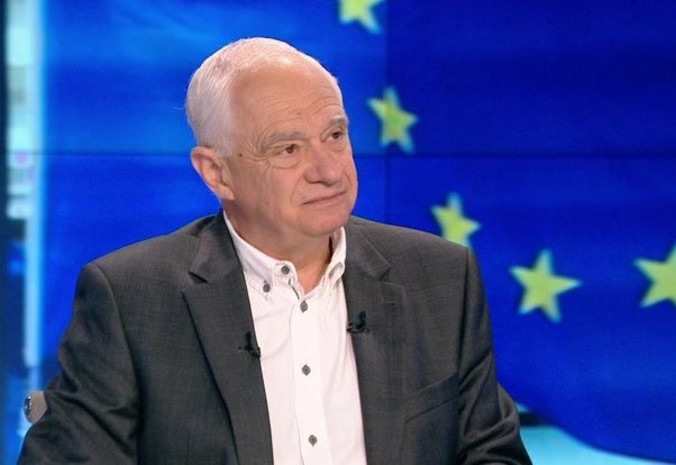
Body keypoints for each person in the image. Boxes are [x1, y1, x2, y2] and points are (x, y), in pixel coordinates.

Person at [18, 37, 531, 465]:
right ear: (217, 173)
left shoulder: (440, 278)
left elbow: (492, 454)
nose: (329, 170)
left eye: (335, 135)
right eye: (288, 149)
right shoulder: (132, 299)